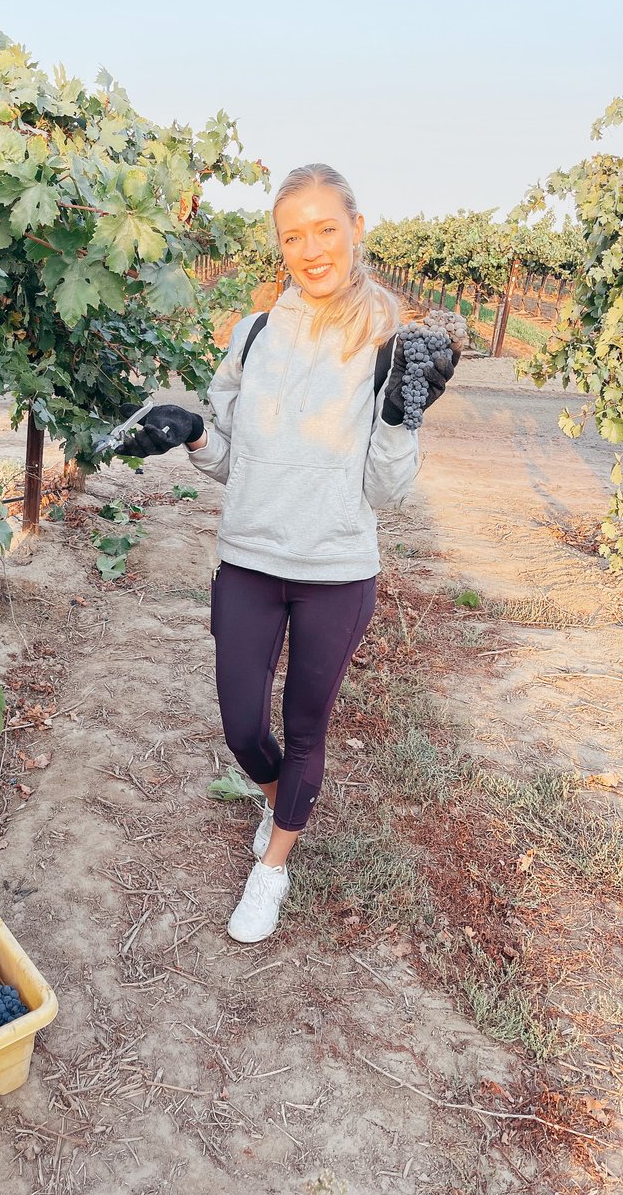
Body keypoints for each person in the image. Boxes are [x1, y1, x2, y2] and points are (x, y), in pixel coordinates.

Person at [117, 163, 460, 944]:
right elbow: (232, 453)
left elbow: (388, 489)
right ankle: (283, 800)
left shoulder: (389, 340)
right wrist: (193, 430)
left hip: (336, 571)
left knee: (308, 726)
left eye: (325, 229)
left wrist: (403, 420)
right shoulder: (254, 333)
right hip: (248, 558)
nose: (311, 249)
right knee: (243, 725)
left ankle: (274, 865)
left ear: (357, 229)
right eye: (293, 235)